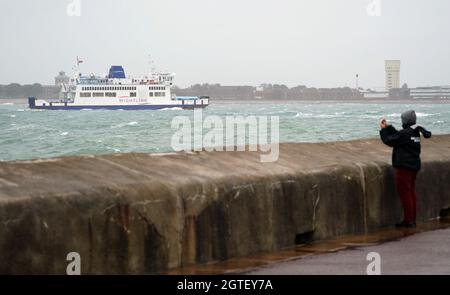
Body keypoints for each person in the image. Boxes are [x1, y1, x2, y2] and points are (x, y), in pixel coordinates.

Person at [379, 110, 432, 228]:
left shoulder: (406, 134)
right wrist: (389, 127)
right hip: (413, 166)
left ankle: (409, 221)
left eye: (403, 119)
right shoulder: (415, 131)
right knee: (411, 193)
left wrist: (383, 130)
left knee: (405, 194)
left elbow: (390, 140)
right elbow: (399, 135)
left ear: (406, 120)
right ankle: (411, 219)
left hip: (404, 167)